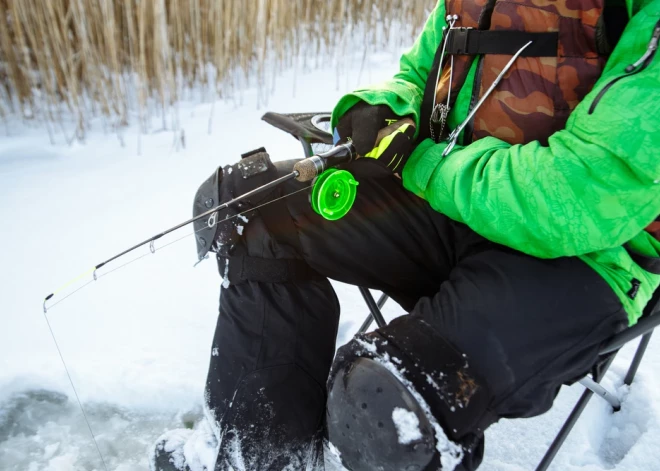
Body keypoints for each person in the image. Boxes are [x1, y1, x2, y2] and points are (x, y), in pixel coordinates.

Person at [152, 0, 660, 469]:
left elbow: (582, 195)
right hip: (449, 212)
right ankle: (257, 456)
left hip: (584, 259)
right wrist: (386, 110)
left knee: (383, 405)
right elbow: (422, 76)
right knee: (249, 208)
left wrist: (423, 164)